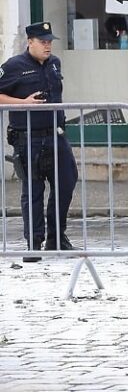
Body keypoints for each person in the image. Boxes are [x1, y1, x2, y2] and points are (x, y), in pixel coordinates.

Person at [0, 22, 79, 262]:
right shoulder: (14, 66)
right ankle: (34, 243)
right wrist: (21, 102)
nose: (47, 46)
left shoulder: (54, 63)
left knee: (66, 182)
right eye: (42, 41)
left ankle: (57, 236)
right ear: (30, 42)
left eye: (49, 41)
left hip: (56, 134)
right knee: (33, 190)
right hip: (28, 138)